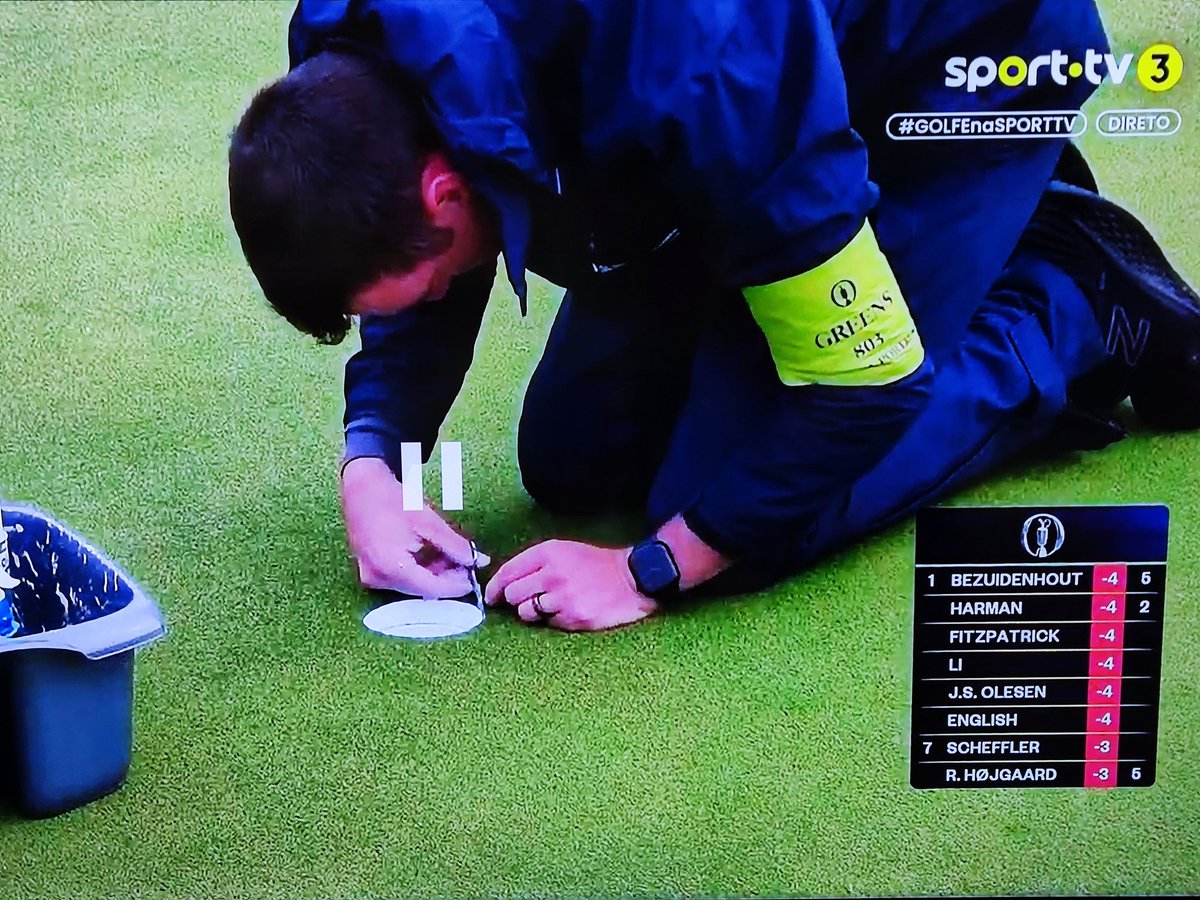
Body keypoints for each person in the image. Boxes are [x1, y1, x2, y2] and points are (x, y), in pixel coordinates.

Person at [228, 0, 1200, 631]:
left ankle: (1063, 302)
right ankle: (887, 250)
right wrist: (376, 461)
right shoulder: (352, 47)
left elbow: (864, 386)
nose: (437, 299)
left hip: (954, 73)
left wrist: (653, 568)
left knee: (741, 514)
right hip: (737, 127)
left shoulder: (698, 67)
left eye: (437, 282)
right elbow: (396, 226)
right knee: (571, 466)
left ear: (445, 192)